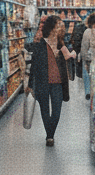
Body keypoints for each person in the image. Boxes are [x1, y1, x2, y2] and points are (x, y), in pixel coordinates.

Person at [28, 15, 75, 146]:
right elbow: (34, 66)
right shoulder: (40, 45)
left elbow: (69, 62)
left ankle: (50, 133)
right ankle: (50, 136)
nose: (62, 28)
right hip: (43, 82)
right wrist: (30, 85)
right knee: (44, 109)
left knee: (56, 112)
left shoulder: (61, 45)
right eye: (59, 25)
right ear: (52, 28)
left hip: (58, 83)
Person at [79, 13, 95, 100]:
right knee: (89, 77)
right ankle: (89, 93)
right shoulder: (87, 32)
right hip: (89, 59)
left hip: (94, 58)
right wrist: (85, 60)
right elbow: (84, 48)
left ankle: (91, 95)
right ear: (94, 23)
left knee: (92, 79)